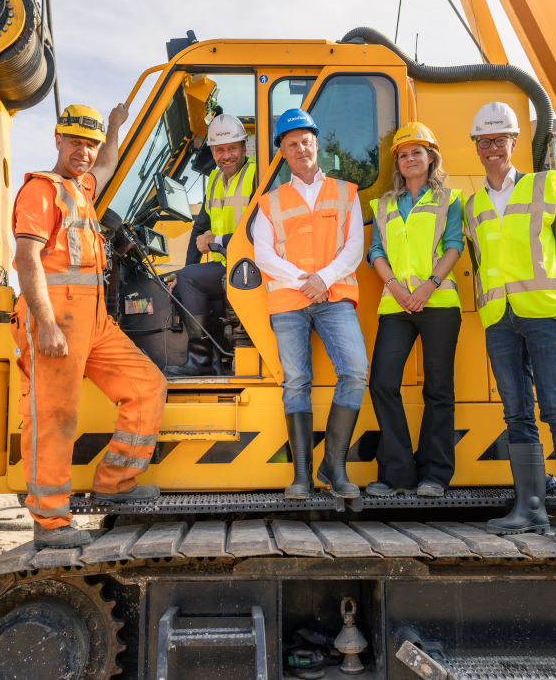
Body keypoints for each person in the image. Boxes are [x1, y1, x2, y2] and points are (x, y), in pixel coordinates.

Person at [12, 104, 168, 549]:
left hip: (93, 318)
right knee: (55, 417)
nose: (84, 151)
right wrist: (46, 324)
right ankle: (50, 521)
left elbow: (108, 164)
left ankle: (114, 482)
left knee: (147, 386)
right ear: (57, 139)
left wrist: (115, 129)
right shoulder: (41, 191)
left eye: (90, 143)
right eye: (75, 141)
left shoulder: (81, 188)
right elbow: (27, 258)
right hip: (56, 315)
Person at [463, 102, 556, 543]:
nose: (493, 148)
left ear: (514, 143)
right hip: (500, 317)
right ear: (476, 147)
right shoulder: (473, 204)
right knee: (516, 411)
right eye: (485, 141)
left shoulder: (545, 186)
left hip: (547, 313)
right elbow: (480, 261)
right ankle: (531, 509)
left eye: (500, 140)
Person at [253, 108, 368, 500]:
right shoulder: (269, 202)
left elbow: (355, 247)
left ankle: (333, 466)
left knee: (354, 369)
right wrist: (305, 281)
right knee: (297, 381)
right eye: (291, 143)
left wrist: (324, 279)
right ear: (282, 152)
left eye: (305, 141)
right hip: (289, 298)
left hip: (333, 296)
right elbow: (263, 254)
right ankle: (302, 476)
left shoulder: (346, 192)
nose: (300, 148)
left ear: (316, 143)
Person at [365, 123, 464, 499]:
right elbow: (376, 251)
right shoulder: (385, 204)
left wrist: (428, 286)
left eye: (416, 152)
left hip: (438, 303)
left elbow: (454, 244)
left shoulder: (449, 199)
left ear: (431, 157)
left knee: (438, 389)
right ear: (398, 163)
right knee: (382, 382)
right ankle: (397, 473)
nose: (409, 159)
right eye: (403, 155)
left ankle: (435, 475)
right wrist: (395, 286)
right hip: (396, 304)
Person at [165, 114, 256, 377]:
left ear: (243, 147)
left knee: (190, 281)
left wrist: (216, 241)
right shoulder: (215, 180)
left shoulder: (256, 175)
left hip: (251, 266)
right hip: (230, 264)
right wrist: (179, 277)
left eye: (232, 148)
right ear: (213, 152)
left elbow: (260, 230)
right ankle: (217, 361)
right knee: (184, 284)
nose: (226, 155)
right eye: (219, 150)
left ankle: (201, 360)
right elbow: (198, 228)